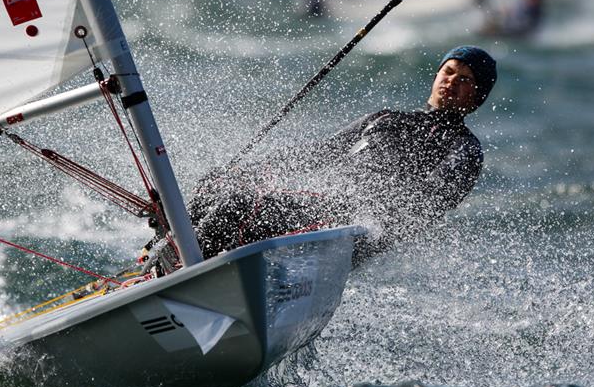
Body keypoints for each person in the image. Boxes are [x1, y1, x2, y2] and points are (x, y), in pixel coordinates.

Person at [188, 45, 498, 263]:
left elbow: (430, 202)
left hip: (351, 227)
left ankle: (192, 274)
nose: (451, 82)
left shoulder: (464, 148)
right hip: (318, 202)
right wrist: (248, 170)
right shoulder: (386, 117)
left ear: (478, 96)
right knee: (216, 187)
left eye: (465, 80)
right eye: (448, 72)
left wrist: (379, 221)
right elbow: (318, 154)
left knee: (238, 206)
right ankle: (166, 261)